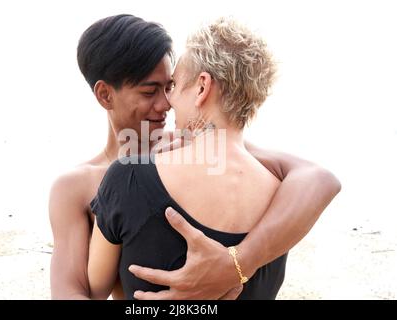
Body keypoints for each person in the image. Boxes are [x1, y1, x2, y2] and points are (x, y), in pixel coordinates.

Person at [49, 14, 341, 300]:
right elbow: (69, 292)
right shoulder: (77, 186)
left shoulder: (196, 145)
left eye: (170, 86)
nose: (166, 103)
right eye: (150, 91)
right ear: (105, 95)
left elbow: (317, 178)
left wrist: (237, 264)